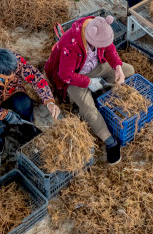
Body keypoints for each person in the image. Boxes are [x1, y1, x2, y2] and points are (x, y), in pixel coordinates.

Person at [45, 15, 134, 165]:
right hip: (74, 77)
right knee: (88, 108)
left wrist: (117, 67)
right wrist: (88, 82)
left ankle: (105, 95)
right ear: (90, 38)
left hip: (95, 66)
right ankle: (110, 141)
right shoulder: (71, 44)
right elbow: (65, 75)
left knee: (129, 70)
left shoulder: (100, 27)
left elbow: (109, 48)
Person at [0, 49, 61, 152]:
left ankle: (27, 131)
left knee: (25, 104)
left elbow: (36, 78)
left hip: (10, 92)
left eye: (14, 74)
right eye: (7, 77)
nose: (12, 76)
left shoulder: (14, 60)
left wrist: (49, 102)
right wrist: (3, 114)